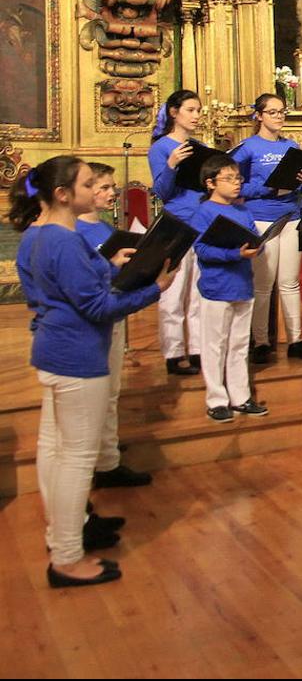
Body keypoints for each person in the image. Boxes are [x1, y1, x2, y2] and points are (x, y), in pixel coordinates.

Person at [12, 155, 174, 586]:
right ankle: (66, 557)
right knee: (75, 460)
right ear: (63, 194)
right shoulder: (63, 240)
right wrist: (154, 290)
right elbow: (97, 307)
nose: (96, 189)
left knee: (55, 450)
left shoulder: (39, 234)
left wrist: (110, 265)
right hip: (77, 355)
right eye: (87, 184)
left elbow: (59, 286)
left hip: (54, 350)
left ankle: (61, 535)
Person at [75, 162, 153, 489]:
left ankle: (107, 456)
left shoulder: (108, 231)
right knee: (93, 396)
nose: (111, 194)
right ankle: (95, 458)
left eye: (112, 188)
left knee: (111, 392)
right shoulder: (73, 232)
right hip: (91, 321)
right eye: (104, 188)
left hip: (115, 312)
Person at [234, 93, 302, 363]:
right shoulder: (248, 147)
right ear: (259, 115)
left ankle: (296, 339)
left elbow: (301, 183)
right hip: (260, 217)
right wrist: (266, 188)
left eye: (282, 112)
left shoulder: (290, 145)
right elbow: (234, 184)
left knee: (290, 282)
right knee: (263, 283)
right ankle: (261, 341)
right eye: (272, 112)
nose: (279, 117)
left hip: (290, 216)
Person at [191, 156, 268, 423]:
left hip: (243, 284)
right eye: (229, 179)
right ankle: (216, 399)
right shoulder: (204, 212)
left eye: (238, 178)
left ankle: (241, 396)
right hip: (217, 286)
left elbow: (257, 239)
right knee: (214, 345)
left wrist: (258, 246)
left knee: (238, 344)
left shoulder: (243, 212)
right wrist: (235, 254)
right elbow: (201, 249)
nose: (237, 184)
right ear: (210, 183)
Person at [149, 89, 205, 376]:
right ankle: (173, 353)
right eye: (191, 110)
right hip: (176, 225)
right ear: (174, 112)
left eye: (198, 111)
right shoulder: (160, 147)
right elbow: (162, 191)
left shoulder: (198, 145)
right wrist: (171, 164)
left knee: (197, 294)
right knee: (173, 293)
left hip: (201, 223)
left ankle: (196, 349)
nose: (196, 116)